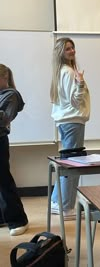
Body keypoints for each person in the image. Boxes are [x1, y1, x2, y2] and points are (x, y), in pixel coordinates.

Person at [50, 37, 90, 220]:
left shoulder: (62, 71)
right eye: (68, 49)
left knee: (67, 162)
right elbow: (75, 100)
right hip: (72, 122)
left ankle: (58, 202)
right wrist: (80, 83)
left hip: (67, 121)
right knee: (72, 165)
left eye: (72, 47)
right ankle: (66, 207)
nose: (72, 51)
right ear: (61, 53)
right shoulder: (67, 72)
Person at [0, 64, 29, 236]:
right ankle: (3, 217)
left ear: (4, 78)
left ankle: (18, 220)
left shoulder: (11, 95)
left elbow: (3, 119)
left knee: (4, 181)